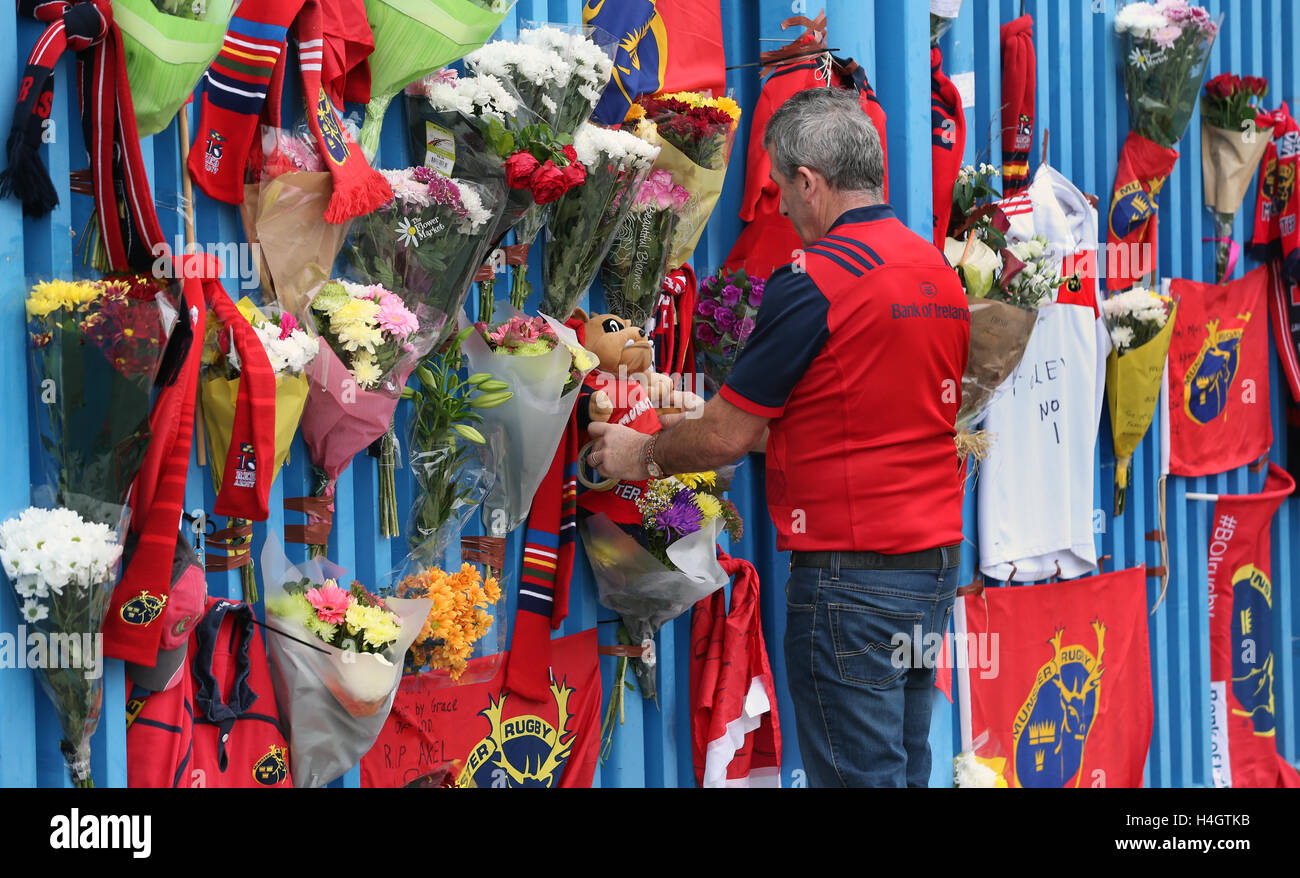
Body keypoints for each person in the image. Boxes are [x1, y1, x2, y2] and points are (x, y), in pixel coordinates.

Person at [586, 86, 970, 787]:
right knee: (906, 772)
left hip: (850, 582)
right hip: (930, 569)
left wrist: (636, 453)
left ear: (809, 181)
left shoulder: (818, 278)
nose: (784, 211)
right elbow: (866, 416)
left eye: (783, 191)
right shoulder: (935, 273)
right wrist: (696, 423)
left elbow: (727, 438)